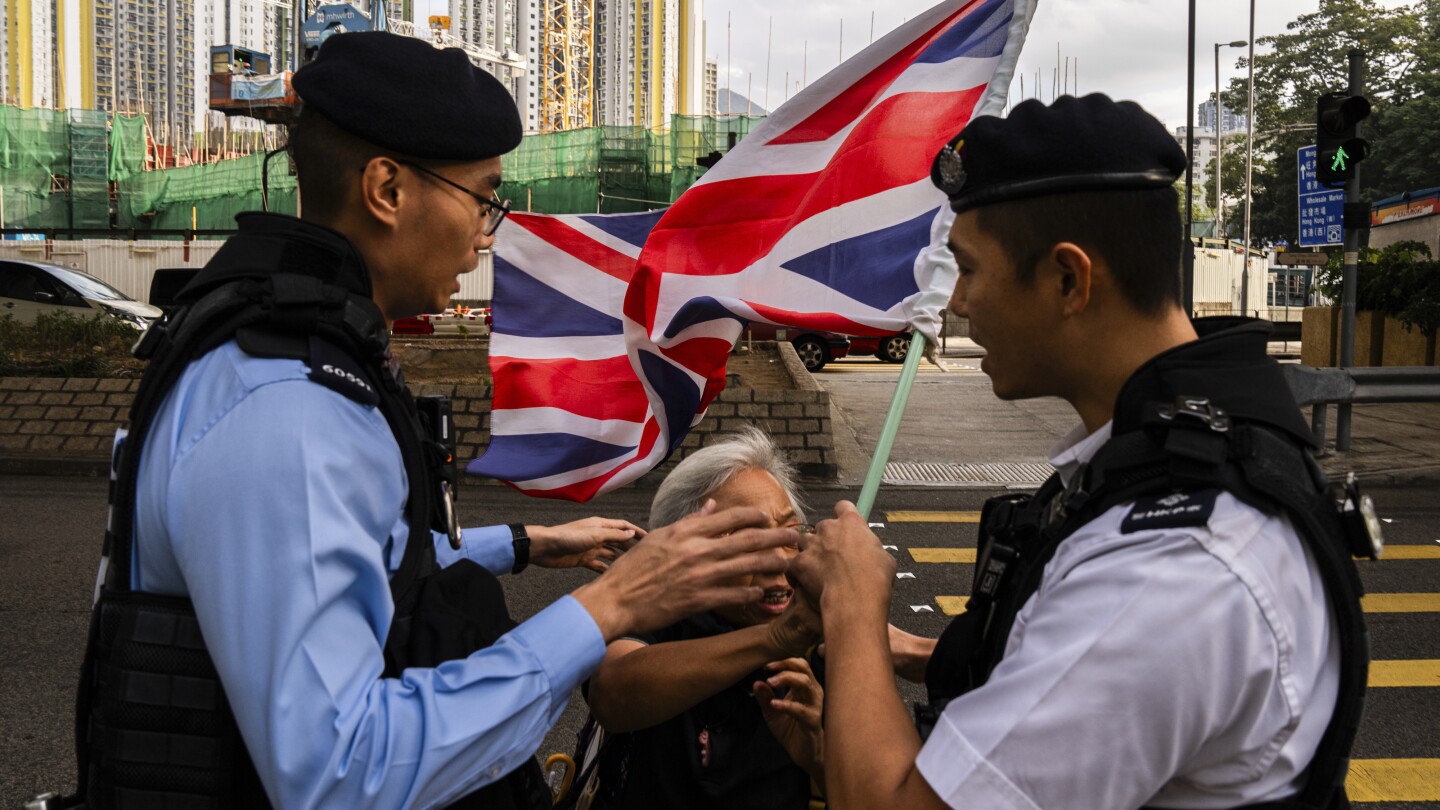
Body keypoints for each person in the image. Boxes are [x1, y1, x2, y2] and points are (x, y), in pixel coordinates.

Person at [69, 32, 800, 810]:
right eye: (484, 199)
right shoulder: (289, 407)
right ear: (387, 189)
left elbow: (357, 554)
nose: (489, 235)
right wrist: (610, 607)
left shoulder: (281, 347)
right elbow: (341, 772)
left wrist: (529, 545)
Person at [791, 94, 1371, 810]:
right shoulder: (1170, 455)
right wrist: (902, 650)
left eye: (969, 270)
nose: (959, 303)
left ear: (1068, 280)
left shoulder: (1171, 569)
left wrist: (852, 603)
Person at [573, 427, 825, 809]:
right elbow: (613, 692)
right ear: (685, 552)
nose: (781, 560)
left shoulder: (824, 639)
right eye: (748, 539)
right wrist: (775, 639)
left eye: (790, 533)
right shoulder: (657, 615)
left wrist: (819, 757)